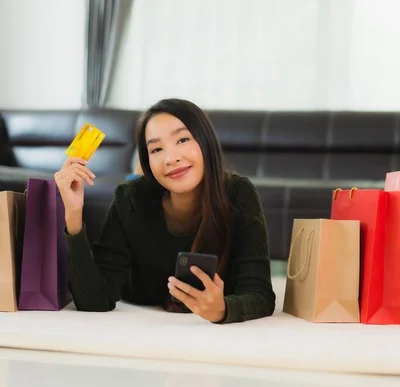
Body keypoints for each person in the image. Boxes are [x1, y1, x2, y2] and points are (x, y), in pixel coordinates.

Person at [54, 99, 276, 324]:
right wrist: (73, 213)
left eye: (183, 139)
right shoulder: (128, 199)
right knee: (137, 188)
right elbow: (94, 299)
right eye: (157, 149)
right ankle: (141, 171)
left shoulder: (239, 193)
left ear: (206, 140)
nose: (172, 158)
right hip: (144, 201)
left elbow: (259, 295)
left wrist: (223, 309)